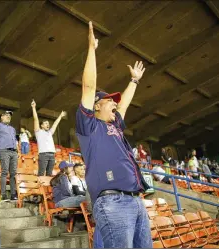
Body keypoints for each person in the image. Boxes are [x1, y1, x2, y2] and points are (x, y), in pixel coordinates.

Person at [76, 22, 152, 248]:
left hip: (135, 200)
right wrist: (91, 49)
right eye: (110, 101)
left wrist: (135, 80)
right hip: (112, 201)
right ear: (97, 106)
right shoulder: (89, 126)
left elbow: (125, 106)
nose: (115, 105)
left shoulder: (116, 124)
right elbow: (89, 88)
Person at [31, 100, 66, 176]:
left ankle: (47, 188)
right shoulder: (38, 132)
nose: (48, 124)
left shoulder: (50, 133)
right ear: (41, 125)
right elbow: (36, 119)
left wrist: (60, 115)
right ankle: (40, 187)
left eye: (48, 123)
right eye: (46, 123)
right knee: (41, 173)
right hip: (43, 155)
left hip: (52, 155)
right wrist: (34, 107)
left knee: (49, 174)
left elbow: (55, 124)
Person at [0, 111, 19, 200]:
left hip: (14, 152)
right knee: (4, 172)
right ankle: (3, 194)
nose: (9, 117)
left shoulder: (12, 129)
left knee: (13, 174)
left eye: (10, 116)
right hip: (3, 150)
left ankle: (13, 194)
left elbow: (15, 141)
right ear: (2, 117)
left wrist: (17, 151)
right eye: (6, 115)